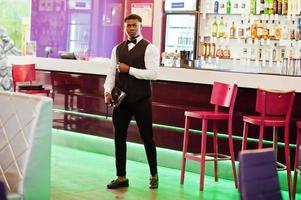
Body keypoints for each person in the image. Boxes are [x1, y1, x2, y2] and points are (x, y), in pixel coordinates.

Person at [104, 14, 160, 189]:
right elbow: (111, 73)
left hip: (141, 100)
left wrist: (129, 70)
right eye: (128, 25)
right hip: (121, 101)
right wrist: (107, 91)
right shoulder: (117, 49)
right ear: (125, 27)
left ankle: (154, 175)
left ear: (140, 26)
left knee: (147, 137)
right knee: (118, 138)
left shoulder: (150, 48)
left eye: (134, 25)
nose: (131, 28)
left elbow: (153, 74)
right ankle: (121, 177)